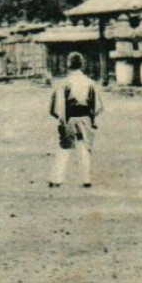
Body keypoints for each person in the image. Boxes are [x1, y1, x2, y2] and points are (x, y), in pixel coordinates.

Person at [48, 52, 102, 188]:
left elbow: (58, 106)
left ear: (68, 64)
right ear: (82, 64)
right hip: (86, 117)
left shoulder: (64, 83)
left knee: (65, 147)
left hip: (70, 117)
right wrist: (92, 120)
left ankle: (57, 179)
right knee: (85, 147)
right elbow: (97, 106)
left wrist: (61, 121)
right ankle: (86, 180)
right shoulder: (90, 82)